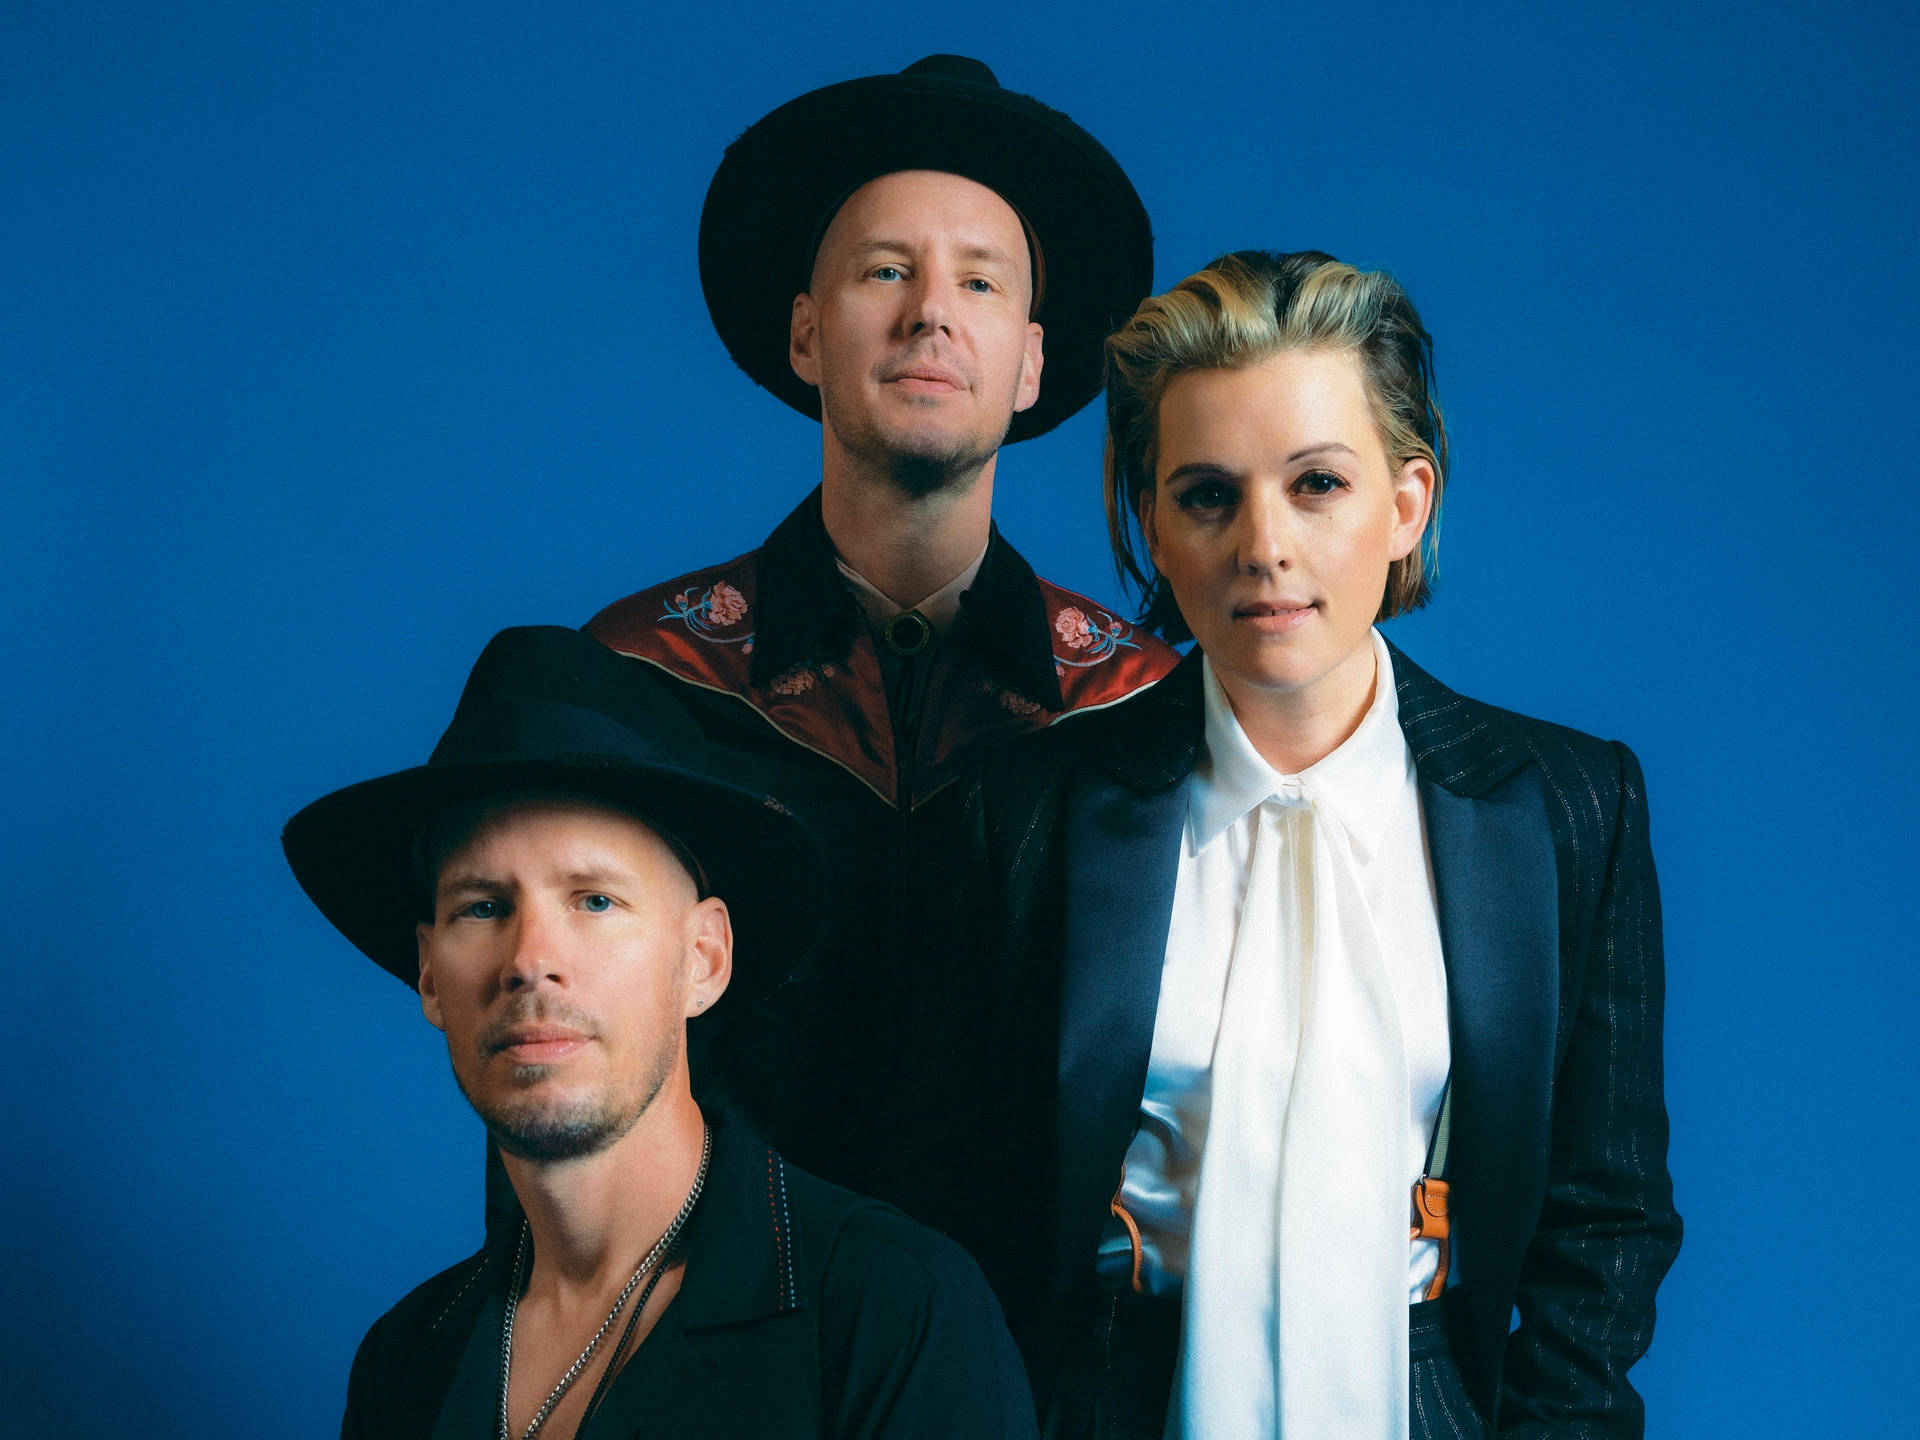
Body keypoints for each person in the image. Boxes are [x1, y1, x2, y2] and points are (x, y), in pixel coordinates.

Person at [962, 251, 1681, 1437]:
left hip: (1431, 1398)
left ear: (1407, 504)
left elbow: (1607, 1217)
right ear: (1150, 522)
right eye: (1206, 494)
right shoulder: (1033, 807)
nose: (1263, 544)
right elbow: (961, 1200)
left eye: (1316, 484)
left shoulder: (1565, 803)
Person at [580, 56, 1175, 1232]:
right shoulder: (645, 680)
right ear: (806, 334)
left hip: (1038, 1380)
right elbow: (561, 1076)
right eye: (885, 270)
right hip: (715, 1347)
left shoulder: (1138, 704)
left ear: (1033, 364)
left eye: (982, 282)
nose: (930, 313)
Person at [283, 625, 1037, 1439]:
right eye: (483, 907)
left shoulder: (892, 1311)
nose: (531, 960)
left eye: (595, 900)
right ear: (430, 974)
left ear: (704, 960)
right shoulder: (411, 1360)